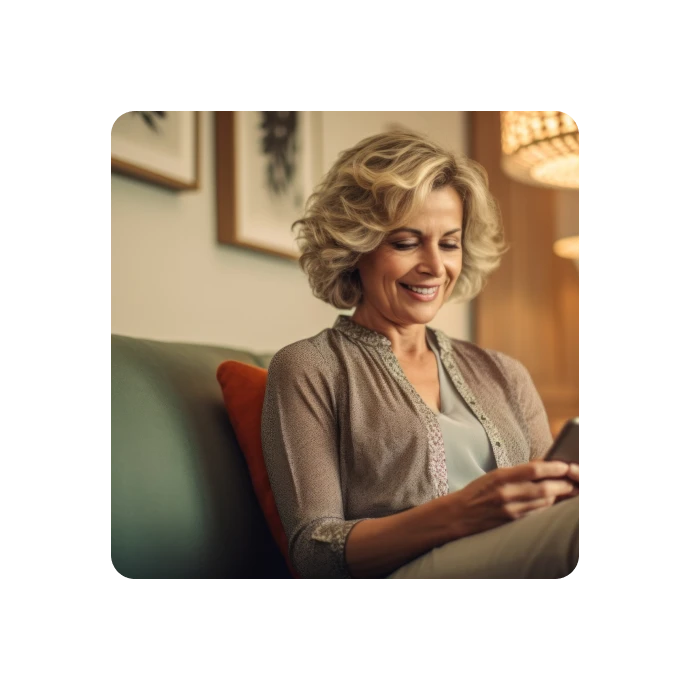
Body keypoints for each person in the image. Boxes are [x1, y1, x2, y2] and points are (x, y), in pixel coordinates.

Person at [260, 129, 580, 583]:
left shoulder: (504, 373)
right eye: (406, 242)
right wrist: (463, 513)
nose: (434, 265)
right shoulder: (309, 368)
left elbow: (558, 504)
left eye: (449, 243)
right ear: (357, 247)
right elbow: (314, 553)